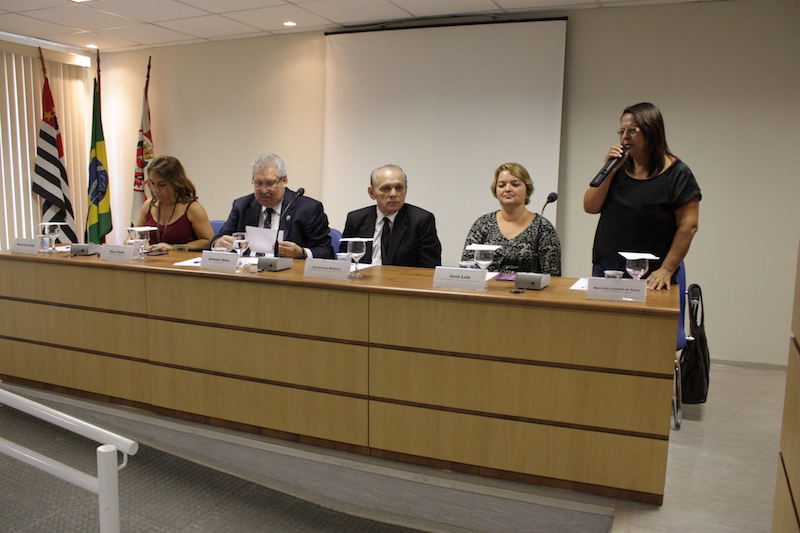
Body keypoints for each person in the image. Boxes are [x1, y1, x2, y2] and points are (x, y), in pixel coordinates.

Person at [584, 102, 701, 290]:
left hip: (652, 273)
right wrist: (609, 171)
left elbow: (689, 226)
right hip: (609, 268)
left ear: (652, 131)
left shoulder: (677, 174)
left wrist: (666, 270)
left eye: (632, 130)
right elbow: (590, 207)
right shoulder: (617, 167)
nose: (625, 137)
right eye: (621, 131)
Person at [212, 153, 334, 259]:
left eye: (270, 183)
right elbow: (218, 240)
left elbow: (327, 252)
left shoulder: (308, 209)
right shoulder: (242, 206)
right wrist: (219, 243)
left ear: (284, 180)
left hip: (286, 274)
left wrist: (301, 253)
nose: (263, 190)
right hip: (247, 272)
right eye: (258, 183)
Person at [461, 162, 561, 275]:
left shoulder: (542, 227)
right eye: (501, 185)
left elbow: (553, 275)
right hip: (486, 286)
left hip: (526, 286)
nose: (507, 189)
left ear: (527, 190)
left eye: (515, 184)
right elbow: (466, 268)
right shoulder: (483, 224)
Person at [342, 164, 442, 268]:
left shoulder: (421, 221)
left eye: (399, 188)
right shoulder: (356, 220)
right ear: (372, 193)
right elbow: (344, 262)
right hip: (362, 277)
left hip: (402, 278)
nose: (393, 194)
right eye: (386, 188)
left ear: (405, 190)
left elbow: (429, 268)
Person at [135, 155, 214, 252]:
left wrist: (174, 247)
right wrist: (131, 239)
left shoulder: (192, 208)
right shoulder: (149, 205)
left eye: (161, 185)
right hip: (153, 259)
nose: (155, 189)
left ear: (175, 183)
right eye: (152, 183)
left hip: (183, 260)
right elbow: (135, 233)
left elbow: (208, 242)